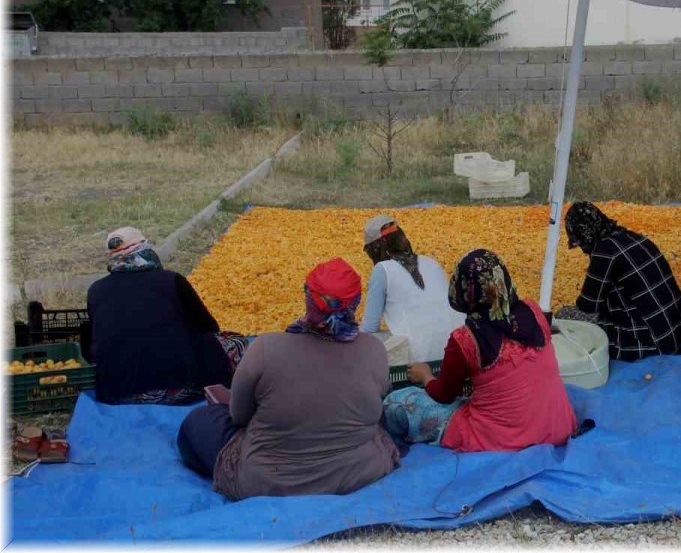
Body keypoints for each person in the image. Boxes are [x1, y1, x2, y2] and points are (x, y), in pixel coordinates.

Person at [176, 258, 400, 501]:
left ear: (307, 297)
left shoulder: (264, 348)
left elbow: (239, 416)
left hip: (268, 481)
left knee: (199, 421)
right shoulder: (374, 350)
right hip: (357, 473)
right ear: (355, 304)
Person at [382, 250, 577, 452]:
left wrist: (425, 377)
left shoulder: (465, 339)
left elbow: (444, 395)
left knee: (398, 403)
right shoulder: (533, 311)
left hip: (503, 439)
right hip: (557, 427)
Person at [87, 227, 247, 405]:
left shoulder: (95, 290)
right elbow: (208, 326)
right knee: (235, 342)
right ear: (145, 249)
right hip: (177, 388)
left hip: (115, 392)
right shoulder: (171, 280)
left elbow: (93, 344)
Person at [557, 202, 681, 362]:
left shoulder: (605, 251)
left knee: (564, 317)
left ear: (586, 235)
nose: (583, 250)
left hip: (652, 344)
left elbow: (587, 306)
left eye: (581, 243)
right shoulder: (634, 238)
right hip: (678, 334)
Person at [359, 214, 462, 364]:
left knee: (366, 340)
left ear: (375, 249)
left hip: (419, 358)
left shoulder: (382, 270)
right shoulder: (431, 263)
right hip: (455, 351)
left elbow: (369, 328)